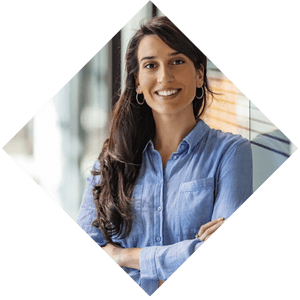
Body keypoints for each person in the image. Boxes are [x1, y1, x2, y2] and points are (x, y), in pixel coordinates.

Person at [77, 16, 253, 296]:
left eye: (177, 61)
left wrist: (123, 257)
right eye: (150, 65)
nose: (164, 77)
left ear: (199, 74)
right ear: (137, 82)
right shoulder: (110, 162)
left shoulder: (231, 154)